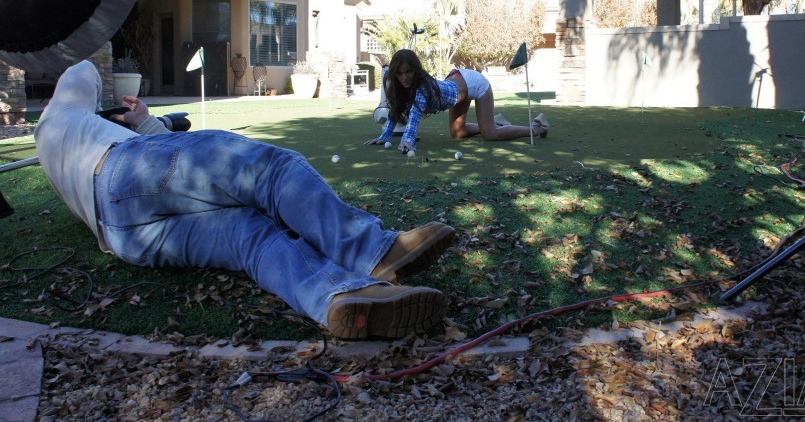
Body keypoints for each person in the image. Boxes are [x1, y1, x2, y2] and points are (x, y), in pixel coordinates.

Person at [34, 60, 457, 340]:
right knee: (269, 169)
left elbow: (152, 187)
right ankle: (373, 251)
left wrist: (143, 123)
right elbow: (83, 71)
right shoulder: (60, 113)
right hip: (125, 166)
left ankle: (341, 298)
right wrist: (110, 113)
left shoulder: (57, 155)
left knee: (249, 237)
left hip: (121, 235)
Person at [365, 49, 549, 153]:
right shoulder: (400, 87)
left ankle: (538, 127)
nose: (404, 77)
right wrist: (384, 136)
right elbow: (395, 110)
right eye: (399, 73)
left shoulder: (421, 88)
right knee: (457, 133)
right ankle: (495, 121)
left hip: (474, 84)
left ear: (416, 71)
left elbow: (414, 116)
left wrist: (408, 141)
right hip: (456, 83)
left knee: (490, 134)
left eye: (408, 72)